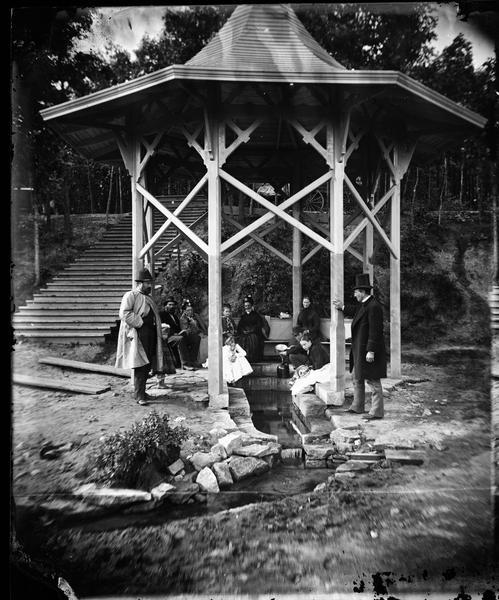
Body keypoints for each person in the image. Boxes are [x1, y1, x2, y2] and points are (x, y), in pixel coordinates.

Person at [333, 273, 387, 420]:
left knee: (373, 380)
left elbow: (376, 331)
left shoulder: (374, 307)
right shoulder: (365, 305)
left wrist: (371, 351)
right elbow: (355, 312)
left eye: (356, 292)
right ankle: (358, 406)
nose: (354, 294)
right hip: (359, 350)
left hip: (369, 350)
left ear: (363, 292)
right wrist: (342, 307)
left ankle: (377, 412)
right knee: (357, 377)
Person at [115, 268, 165, 406]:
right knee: (140, 364)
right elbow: (124, 313)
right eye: (148, 283)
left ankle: (142, 392)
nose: (150, 286)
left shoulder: (147, 297)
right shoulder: (131, 295)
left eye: (151, 283)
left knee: (147, 363)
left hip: (150, 333)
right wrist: (140, 322)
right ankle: (139, 395)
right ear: (140, 283)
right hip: (139, 333)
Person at [236, 295, 270, 363]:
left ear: (251, 306)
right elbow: (240, 326)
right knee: (242, 339)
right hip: (245, 333)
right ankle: (244, 358)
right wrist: (243, 330)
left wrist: (251, 330)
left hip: (254, 333)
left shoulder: (256, 316)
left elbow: (258, 326)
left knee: (252, 338)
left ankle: (252, 358)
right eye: (245, 306)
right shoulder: (243, 316)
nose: (247, 307)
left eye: (248, 305)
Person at [179, 300, 207, 370]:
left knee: (203, 339)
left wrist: (202, 332)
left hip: (199, 334)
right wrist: (194, 325)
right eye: (188, 310)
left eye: (191, 310)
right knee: (197, 339)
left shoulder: (196, 316)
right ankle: (190, 361)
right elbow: (186, 330)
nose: (190, 312)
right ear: (184, 311)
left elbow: (202, 326)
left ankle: (196, 360)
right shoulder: (183, 318)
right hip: (188, 335)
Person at [159, 297, 183, 368]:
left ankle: (191, 362)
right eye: (169, 304)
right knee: (181, 339)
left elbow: (178, 328)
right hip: (166, 337)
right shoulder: (161, 314)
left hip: (176, 335)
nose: (172, 306)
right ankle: (184, 363)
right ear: (165, 306)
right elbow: (162, 327)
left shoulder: (175, 317)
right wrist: (173, 333)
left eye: (173, 305)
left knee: (194, 338)